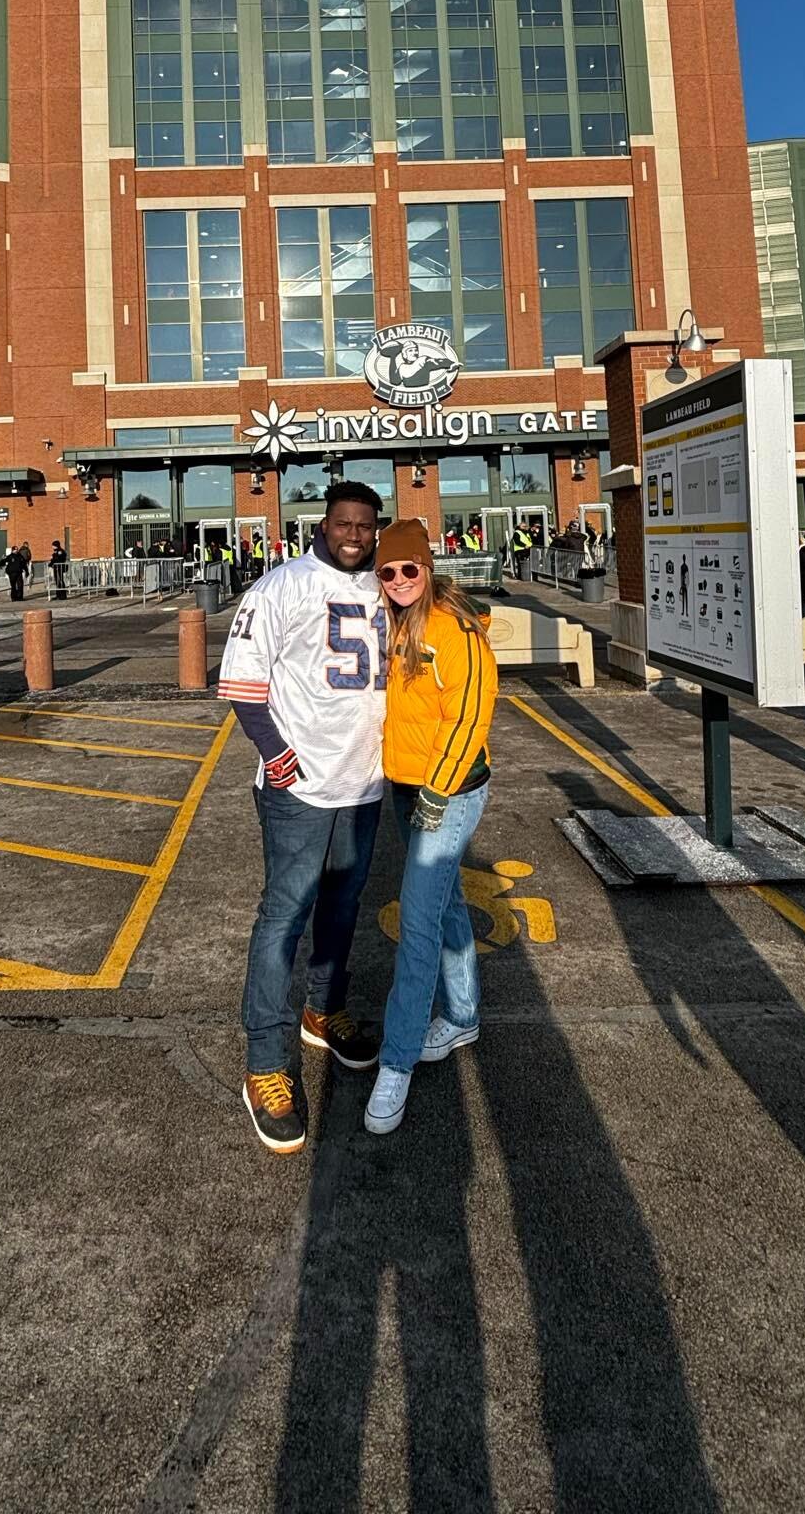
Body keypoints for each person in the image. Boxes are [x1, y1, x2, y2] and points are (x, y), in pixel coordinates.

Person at [219, 481, 388, 1155]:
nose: (355, 534)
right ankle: (264, 1061)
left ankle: (323, 1009)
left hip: (365, 782)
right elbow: (240, 681)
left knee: (344, 909)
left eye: (366, 525)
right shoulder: (281, 586)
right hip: (300, 784)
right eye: (344, 523)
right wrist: (276, 753)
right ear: (324, 524)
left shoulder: (385, 584)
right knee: (284, 914)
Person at [362, 521, 499, 1137]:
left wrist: (440, 793)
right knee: (444, 905)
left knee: (416, 924)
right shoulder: (393, 623)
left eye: (407, 570)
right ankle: (464, 1014)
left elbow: (470, 718)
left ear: (427, 565)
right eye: (386, 572)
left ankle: (396, 1062)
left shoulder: (456, 629)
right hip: (405, 784)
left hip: (452, 790)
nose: (397, 582)